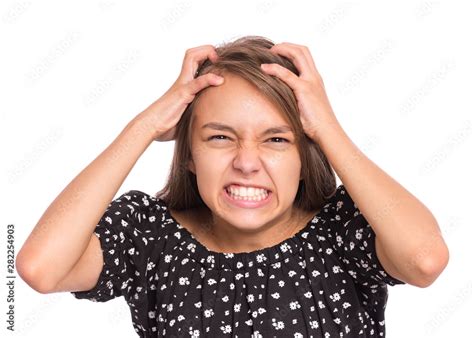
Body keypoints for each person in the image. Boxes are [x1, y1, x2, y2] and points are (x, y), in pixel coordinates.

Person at [16, 36, 449, 337]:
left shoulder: (341, 229)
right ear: (189, 154)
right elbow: (41, 268)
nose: (246, 163)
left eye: (276, 139)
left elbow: (424, 260)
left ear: (305, 156)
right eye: (220, 137)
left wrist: (328, 129)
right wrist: (144, 126)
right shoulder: (151, 236)